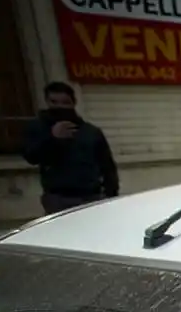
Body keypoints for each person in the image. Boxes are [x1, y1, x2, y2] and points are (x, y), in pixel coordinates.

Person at [22, 81, 119, 214]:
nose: (59, 107)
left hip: (91, 197)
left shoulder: (90, 131)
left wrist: (111, 194)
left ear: (73, 103)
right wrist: (53, 139)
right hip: (59, 198)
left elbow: (107, 166)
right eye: (54, 102)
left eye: (65, 102)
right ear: (47, 102)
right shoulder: (39, 128)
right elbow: (31, 156)